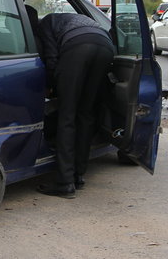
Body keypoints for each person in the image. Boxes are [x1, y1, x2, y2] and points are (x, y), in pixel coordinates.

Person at [36, 12, 114, 199]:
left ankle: (64, 183)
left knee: (66, 116)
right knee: (85, 114)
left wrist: (53, 87)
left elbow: (52, 58)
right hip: (105, 46)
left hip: (78, 48)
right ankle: (79, 175)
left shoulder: (45, 24)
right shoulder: (70, 18)